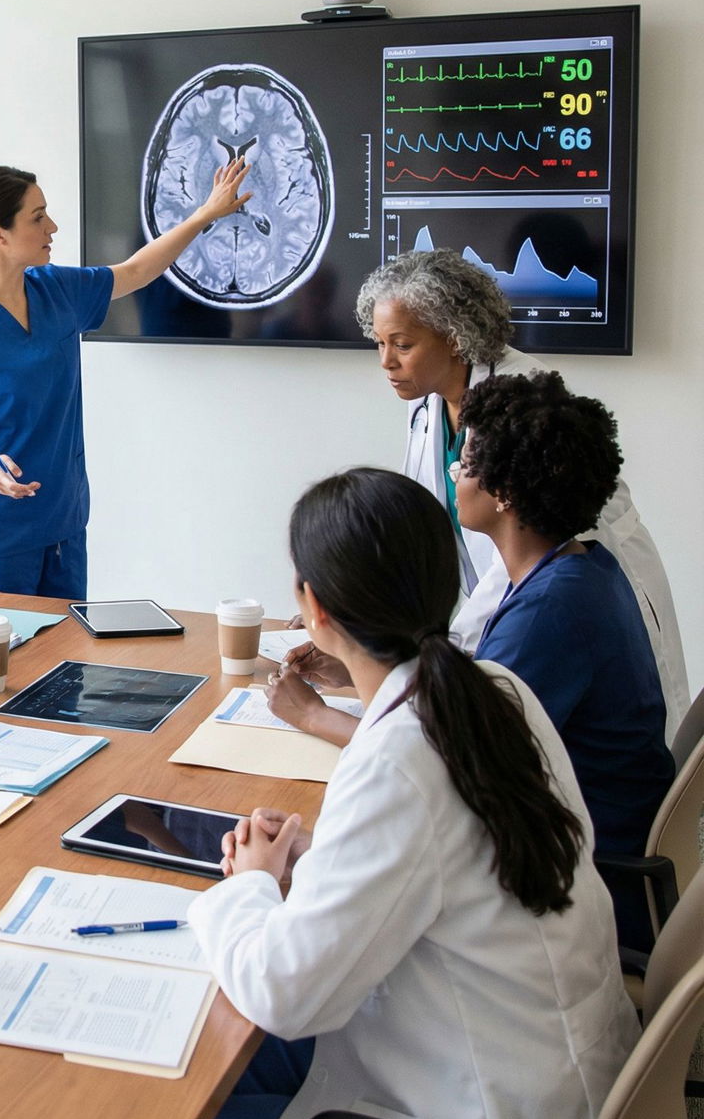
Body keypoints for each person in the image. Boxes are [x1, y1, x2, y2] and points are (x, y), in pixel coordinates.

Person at [161, 468, 635, 1119]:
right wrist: (321, 852)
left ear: (311, 606)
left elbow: (285, 996)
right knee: (199, 1054)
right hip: (552, 1083)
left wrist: (250, 880)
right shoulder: (495, 691)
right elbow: (447, 854)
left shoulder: (397, 760)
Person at [270, 372, 673, 947]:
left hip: (581, 878)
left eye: (467, 462)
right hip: (582, 838)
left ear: (505, 493)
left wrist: (314, 716)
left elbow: (440, 763)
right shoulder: (579, 569)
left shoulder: (550, 616)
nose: (455, 472)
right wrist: (359, 664)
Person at [356, 245, 689, 734]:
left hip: (570, 589)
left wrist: (444, 642)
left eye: (402, 345)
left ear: (453, 338)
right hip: (510, 607)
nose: (386, 362)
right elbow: (425, 522)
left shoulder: (521, 402)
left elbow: (526, 550)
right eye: (379, 343)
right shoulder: (426, 405)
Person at [0, 161, 250, 599]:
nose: (52, 226)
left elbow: (134, 272)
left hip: (62, 528)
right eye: (37, 218)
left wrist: (204, 215)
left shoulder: (55, 290)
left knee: (64, 665)